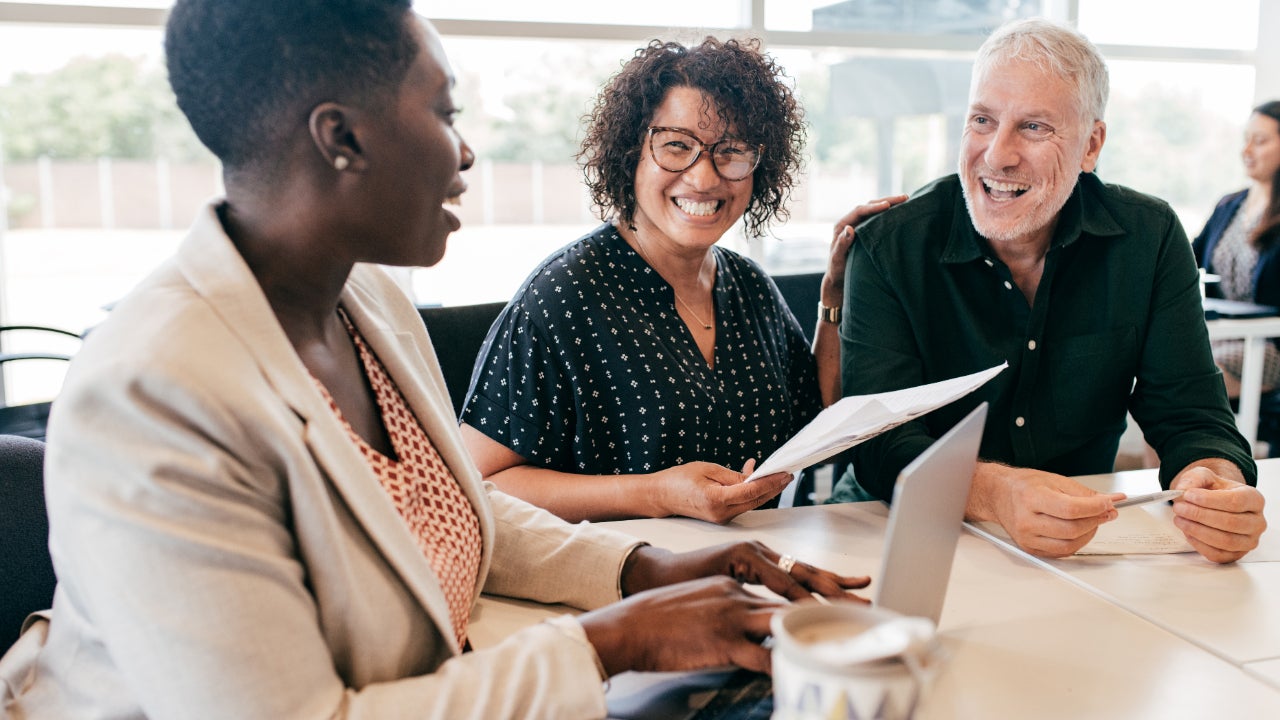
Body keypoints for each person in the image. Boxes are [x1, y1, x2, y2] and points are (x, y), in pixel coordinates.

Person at [0, 3, 873, 718]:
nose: (465, 153)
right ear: (341, 137)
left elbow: (461, 509)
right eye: (444, 113)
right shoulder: (153, 390)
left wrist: (649, 572)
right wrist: (617, 640)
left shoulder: (367, 299)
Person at [830, 17, 1267, 564]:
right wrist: (995, 493)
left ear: (1091, 145)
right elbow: (880, 442)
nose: (997, 155)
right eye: (983, 120)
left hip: (1077, 538)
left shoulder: (1149, 237)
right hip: (898, 522)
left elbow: (1191, 415)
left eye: (1034, 127)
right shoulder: (889, 247)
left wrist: (1214, 483)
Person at [459, 36, 903, 524]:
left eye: (731, 151)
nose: (705, 178)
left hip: (750, 568)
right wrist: (655, 494)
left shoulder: (748, 286)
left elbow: (817, 414)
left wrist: (834, 295)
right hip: (620, 581)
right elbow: (482, 483)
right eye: (677, 145)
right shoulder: (563, 297)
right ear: (631, 153)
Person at [1193, 101, 1280, 398]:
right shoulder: (1229, 205)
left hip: (1269, 344)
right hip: (1222, 334)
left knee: (1194, 379)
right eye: (1246, 140)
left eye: (1260, 141)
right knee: (1159, 373)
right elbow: (1185, 259)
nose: (1247, 151)